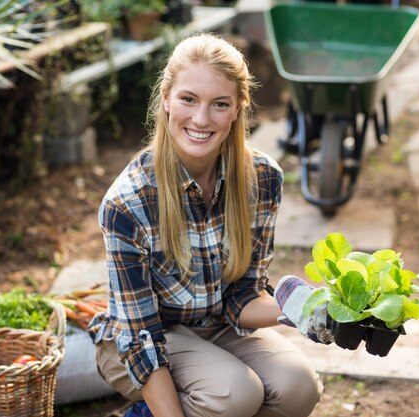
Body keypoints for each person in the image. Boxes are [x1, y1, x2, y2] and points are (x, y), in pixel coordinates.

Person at [87, 33, 331, 417]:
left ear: (238, 109)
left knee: (298, 387)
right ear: (166, 98)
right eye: (188, 99)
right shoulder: (127, 203)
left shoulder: (262, 178)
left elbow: (243, 295)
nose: (201, 119)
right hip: (144, 340)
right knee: (234, 394)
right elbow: (139, 337)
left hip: (218, 327)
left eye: (219, 104)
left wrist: (306, 309)